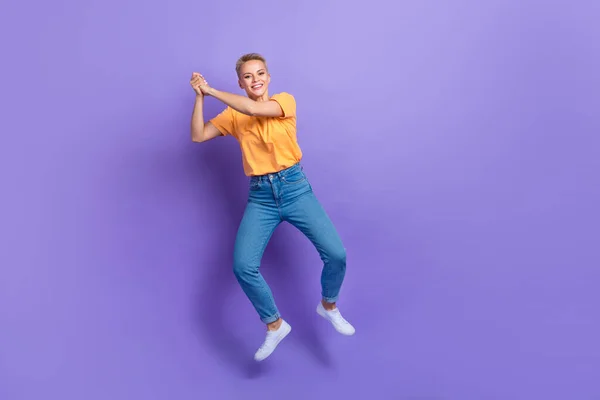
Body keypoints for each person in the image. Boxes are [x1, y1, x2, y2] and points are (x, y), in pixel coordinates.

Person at [189, 53, 355, 362]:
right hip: (261, 197)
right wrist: (200, 97)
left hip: (295, 189)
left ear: (269, 77)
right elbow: (198, 136)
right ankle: (274, 325)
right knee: (242, 266)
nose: (256, 80)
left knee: (336, 254)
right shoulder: (233, 115)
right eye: (248, 76)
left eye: (260, 73)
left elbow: (253, 108)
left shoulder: (284, 101)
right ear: (240, 83)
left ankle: (328, 305)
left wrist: (211, 90)